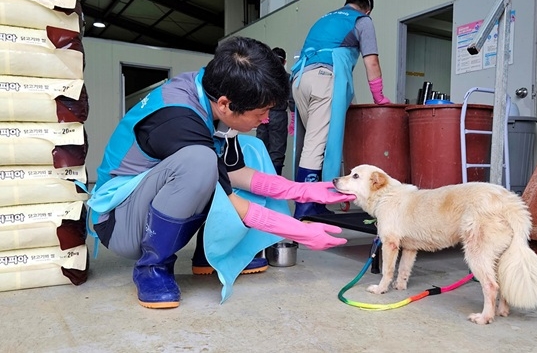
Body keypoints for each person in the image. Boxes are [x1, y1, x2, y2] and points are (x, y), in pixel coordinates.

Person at [87, 36, 355, 309]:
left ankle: (209, 253)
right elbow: (230, 201)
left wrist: (303, 190)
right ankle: (152, 267)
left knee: (249, 147)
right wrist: (300, 231)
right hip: (120, 222)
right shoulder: (179, 118)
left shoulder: (209, 93)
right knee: (201, 161)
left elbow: (235, 173)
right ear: (226, 104)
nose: (265, 120)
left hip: (147, 201)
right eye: (261, 112)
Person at [290, 0, 391, 220]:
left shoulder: (326, 18)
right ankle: (305, 207)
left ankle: (318, 201)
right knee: (316, 145)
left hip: (299, 80)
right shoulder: (362, 20)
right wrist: (379, 97)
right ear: (367, 9)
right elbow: (371, 61)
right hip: (324, 78)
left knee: (316, 142)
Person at [255, 47, 292, 175]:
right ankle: (274, 184)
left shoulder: (262, 76)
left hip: (260, 114)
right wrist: (293, 117)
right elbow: (291, 99)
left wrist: (261, 111)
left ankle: (259, 184)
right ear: (285, 62)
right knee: (277, 152)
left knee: (260, 149)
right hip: (279, 115)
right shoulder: (287, 78)